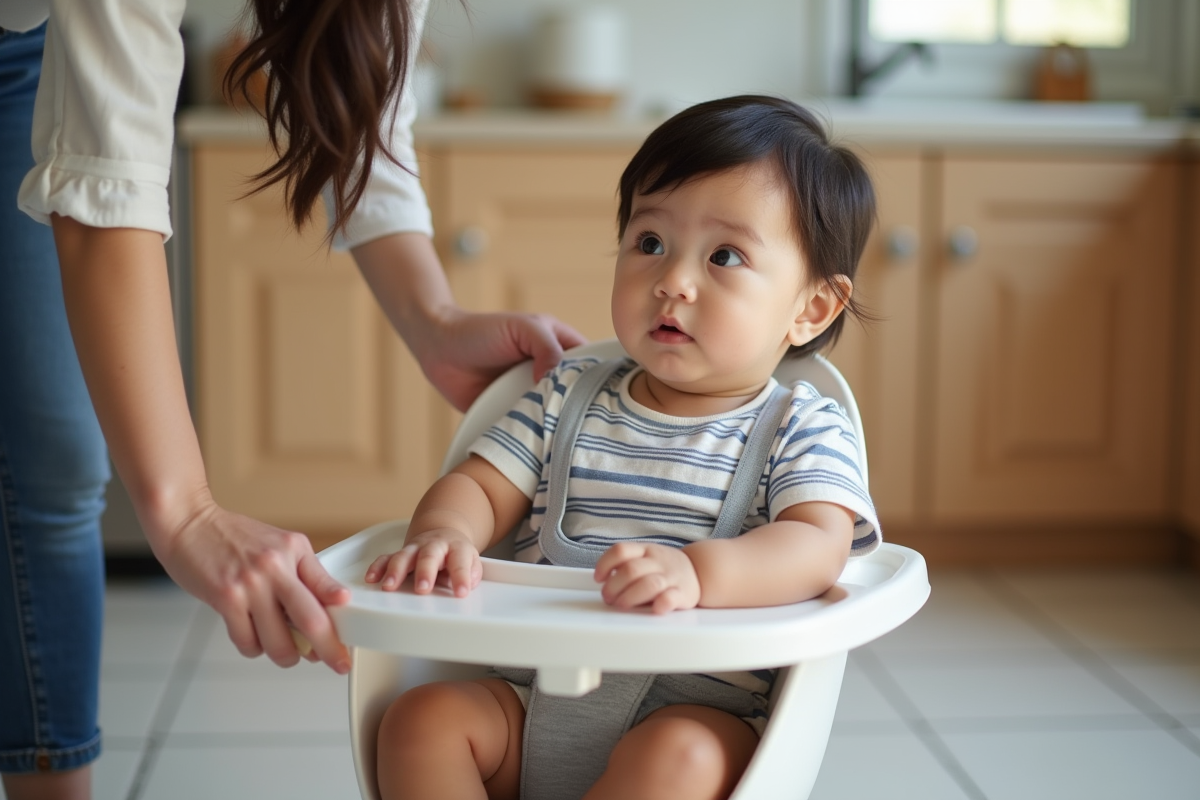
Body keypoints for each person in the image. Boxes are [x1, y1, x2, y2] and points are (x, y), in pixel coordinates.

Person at [0, 1, 583, 798]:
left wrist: (434, 321)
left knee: (54, 464)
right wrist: (186, 513)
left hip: (25, 52)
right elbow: (105, 193)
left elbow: (366, 113)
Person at [363, 95, 882, 800]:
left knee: (683, 760)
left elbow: (817, 543)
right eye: (649, 243)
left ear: (810, 308)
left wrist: (700, 575)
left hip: (696, 707)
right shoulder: (568, 392)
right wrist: (444, 533)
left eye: (724, 256)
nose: (672, 280)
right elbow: (481, 485)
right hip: (531, 695)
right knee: (420, 721)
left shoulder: (802, 426)